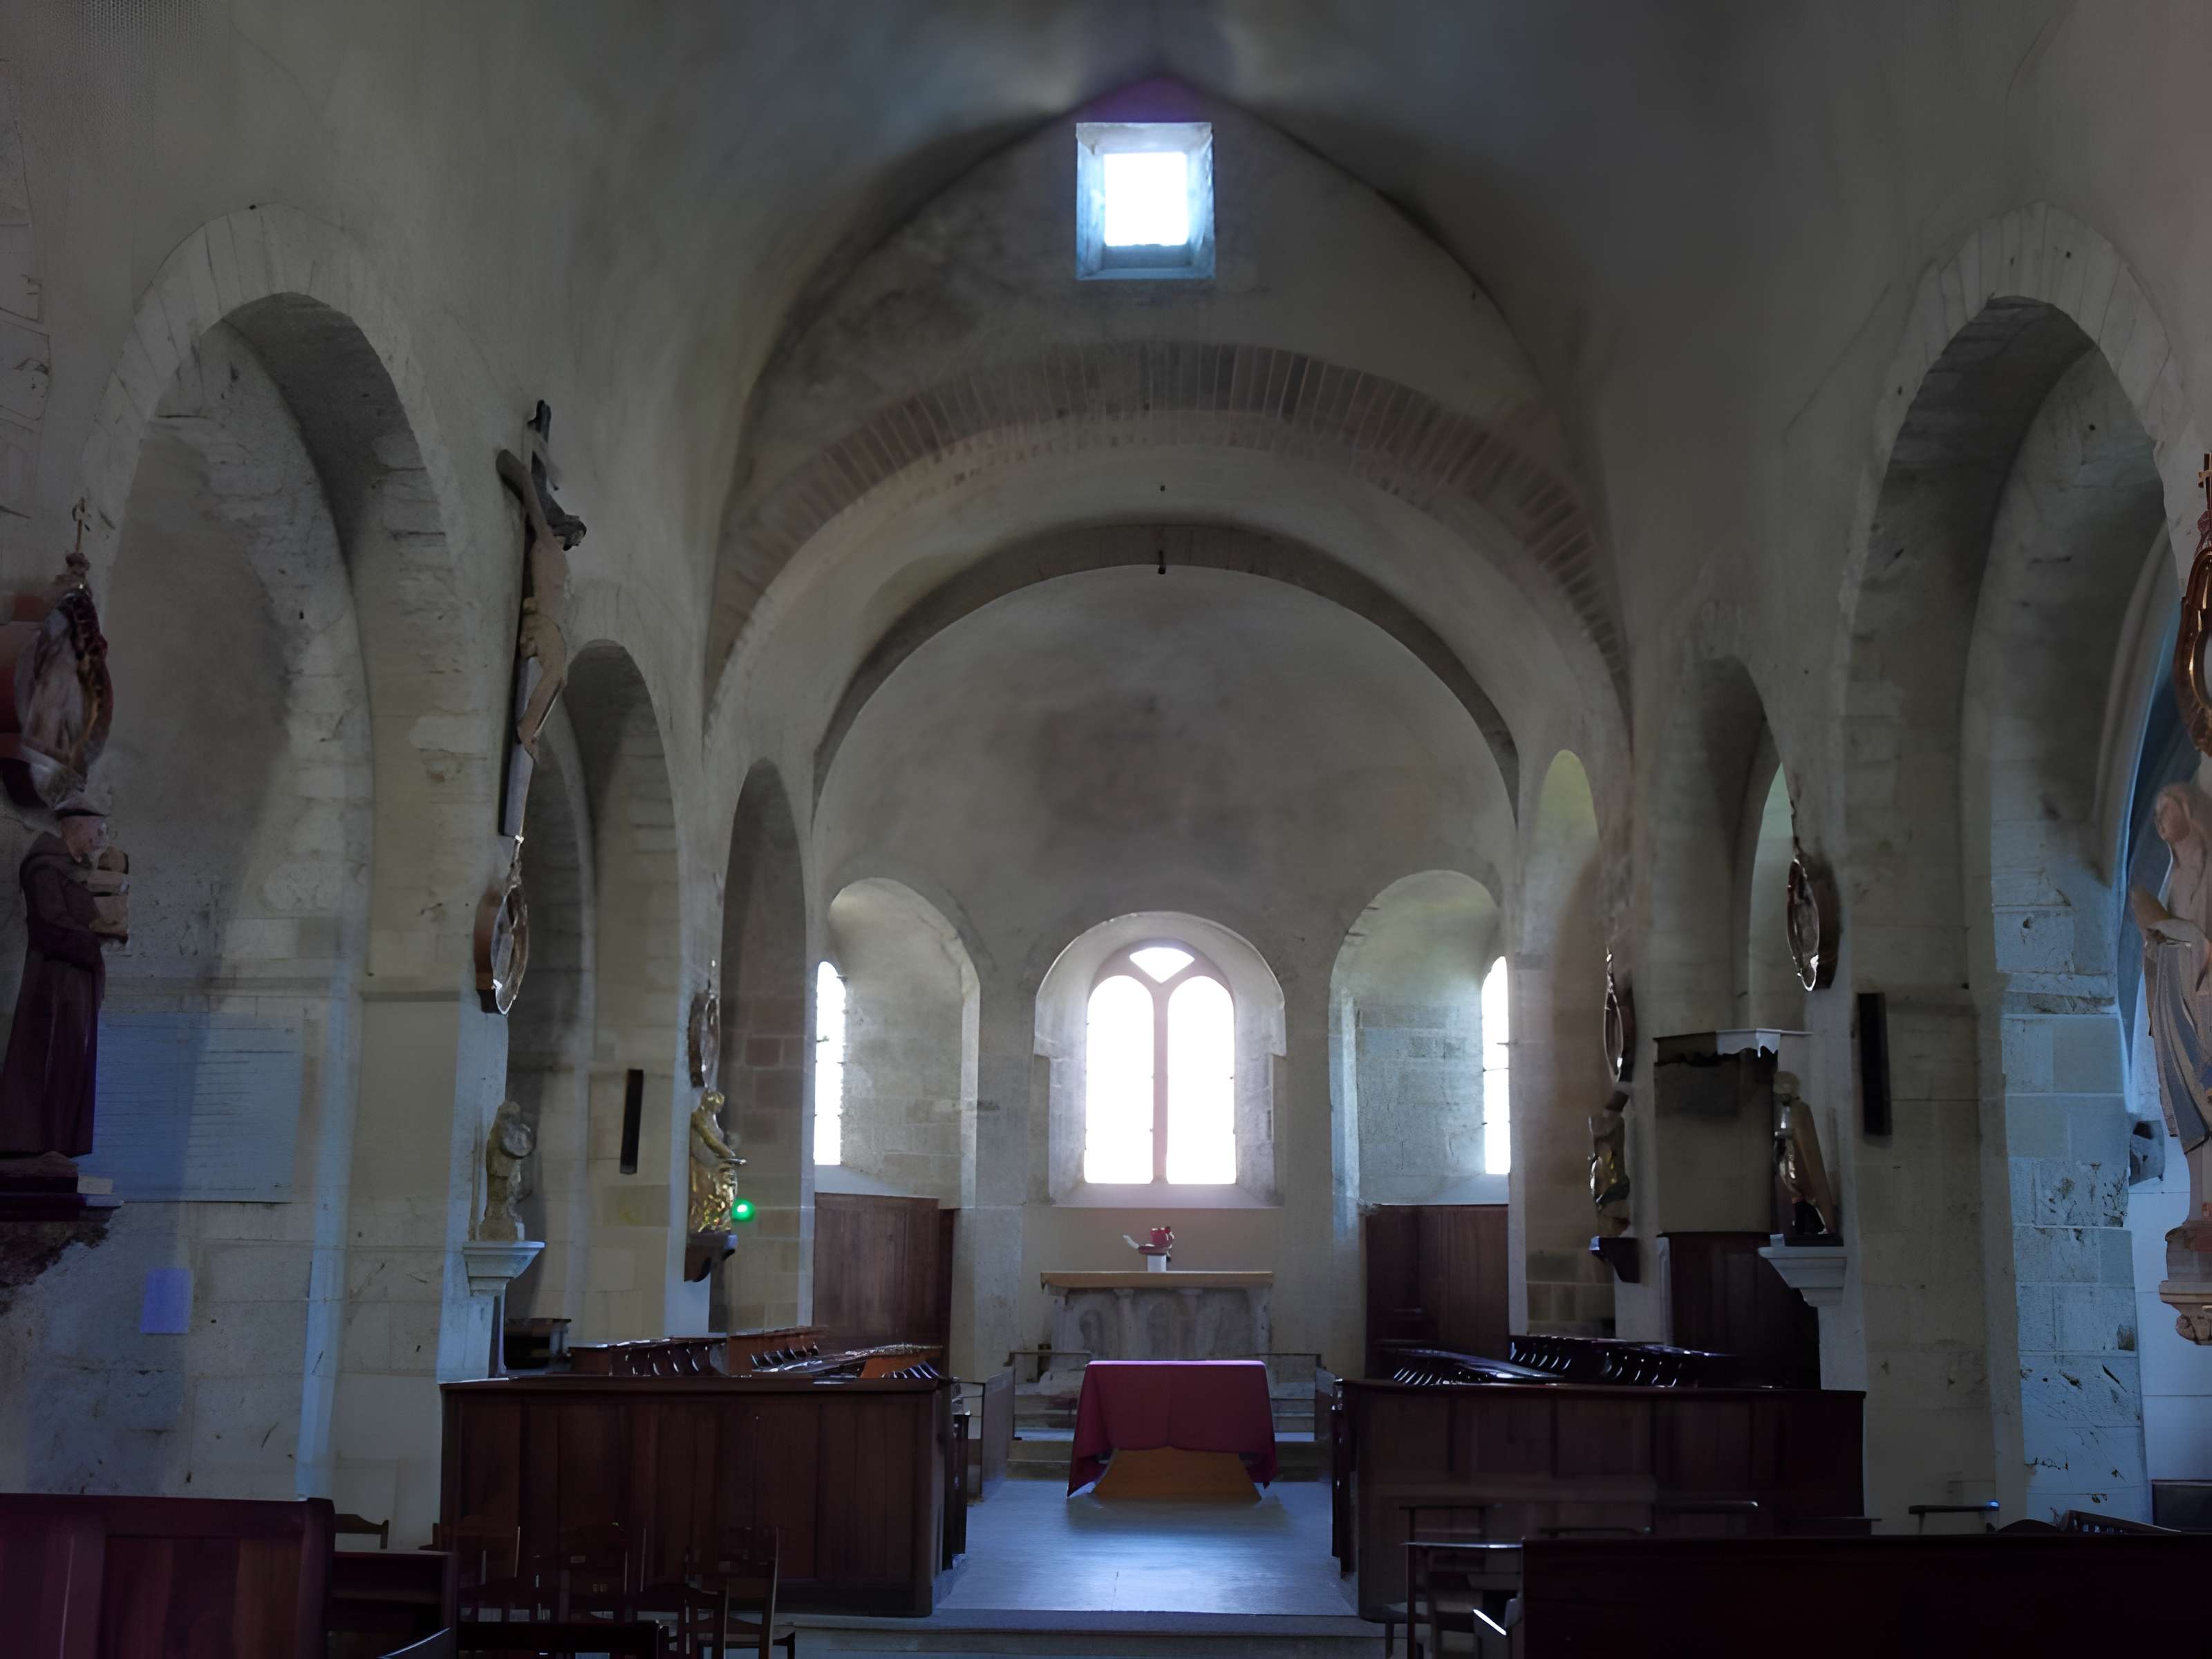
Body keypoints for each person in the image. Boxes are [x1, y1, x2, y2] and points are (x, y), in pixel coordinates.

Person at [0, 795, 110, 1157]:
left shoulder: (74, 871)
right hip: (54, 983)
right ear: (76, 825)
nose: (101, 836)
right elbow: (50, 925)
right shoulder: (46, 868)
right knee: (50, 1055)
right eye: (97, 827)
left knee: (70, 1060)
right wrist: (94, 941)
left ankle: (55, 1145)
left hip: (75, 979)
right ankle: (35, 1142)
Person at [2130, 782, 2212, 1154]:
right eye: (2157, 814)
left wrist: (2171, 931)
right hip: (2180, 994)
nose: (2160, 820)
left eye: (2167, 808)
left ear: (2189, 809)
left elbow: (2200, 940)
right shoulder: (2174, 876)